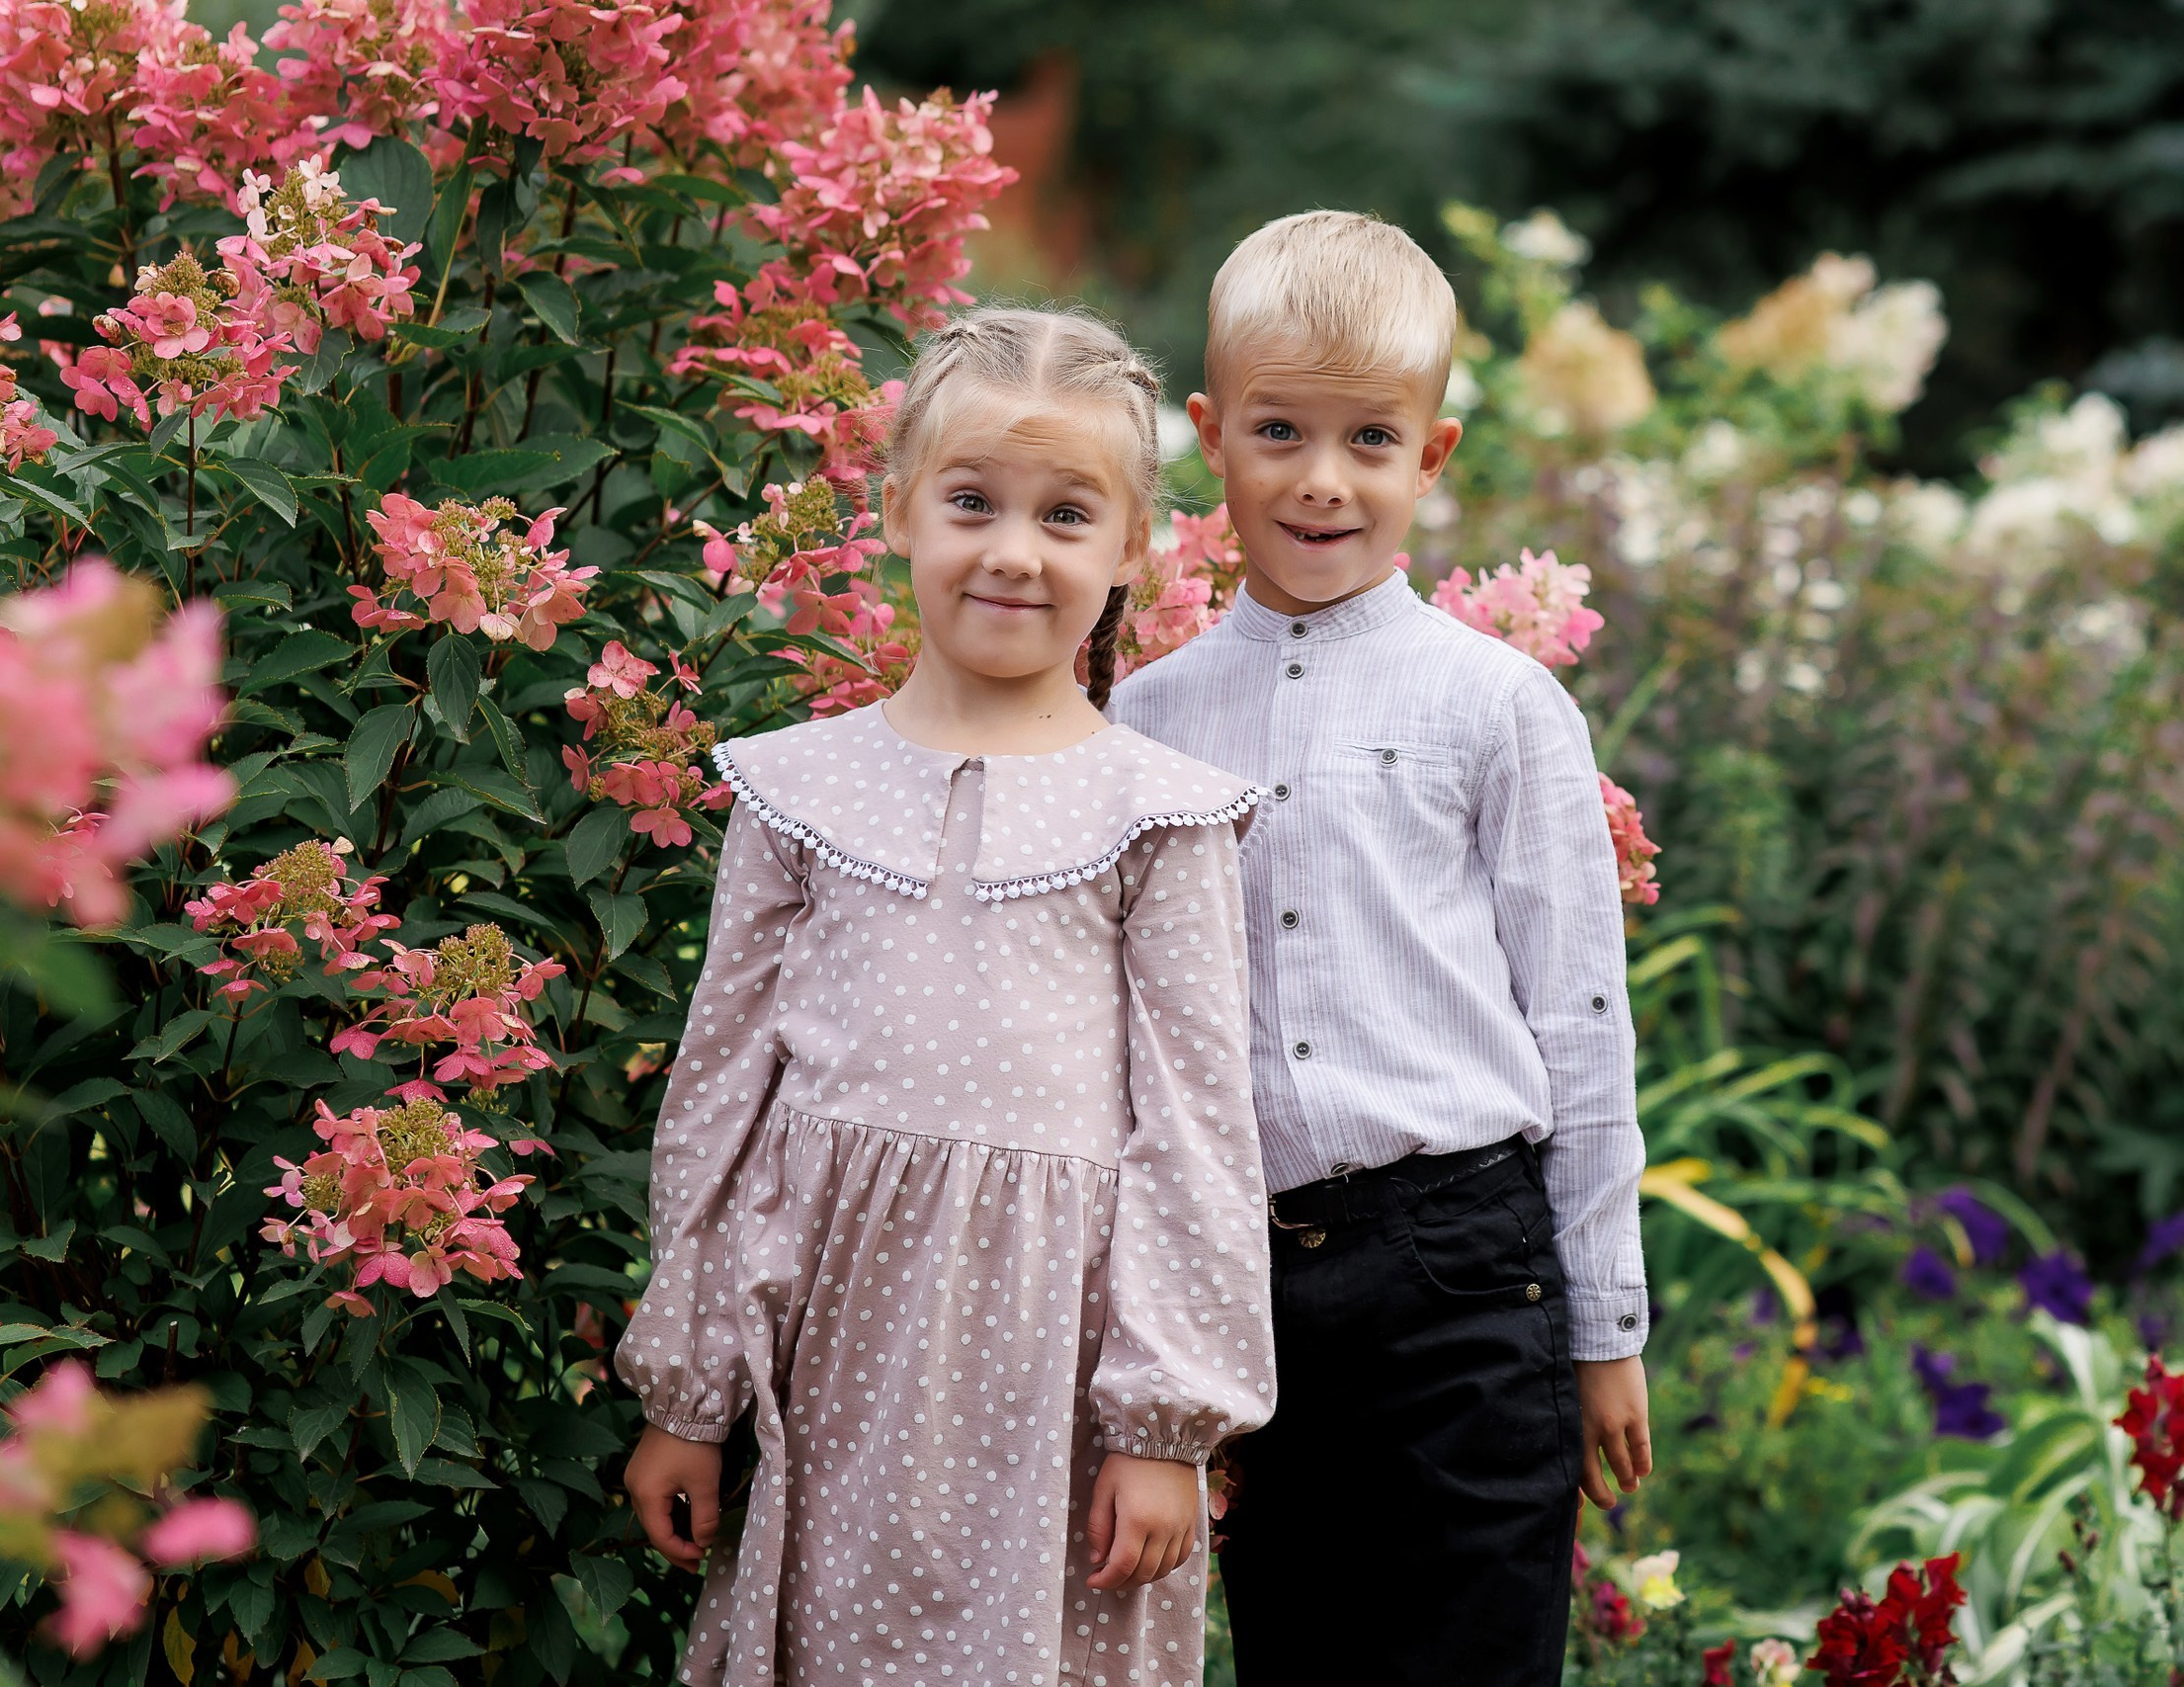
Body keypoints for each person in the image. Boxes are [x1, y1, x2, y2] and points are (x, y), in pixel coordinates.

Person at [615, 306, 1275, 1687]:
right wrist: (688, 1391)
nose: (1015, 552)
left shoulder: (1159, 818)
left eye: (1067, 515)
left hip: (1061, 1382)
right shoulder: (796, 792)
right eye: (972, 502)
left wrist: (1165, 1428)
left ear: (1131, 551)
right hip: (838, 1342)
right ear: (899, 507)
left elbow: (1199, 1135)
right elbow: (721, 1098)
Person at [1106, 210, 1653, 1685]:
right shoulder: (1146, 723)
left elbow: (1581, 1019)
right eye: (1280, 431)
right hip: (1256, 1288)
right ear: (1211, 436)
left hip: (1468, 1280)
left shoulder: (1498, 705)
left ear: (1435, 454)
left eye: (1370, 439)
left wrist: (1606, 1326)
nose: (1322, 480)